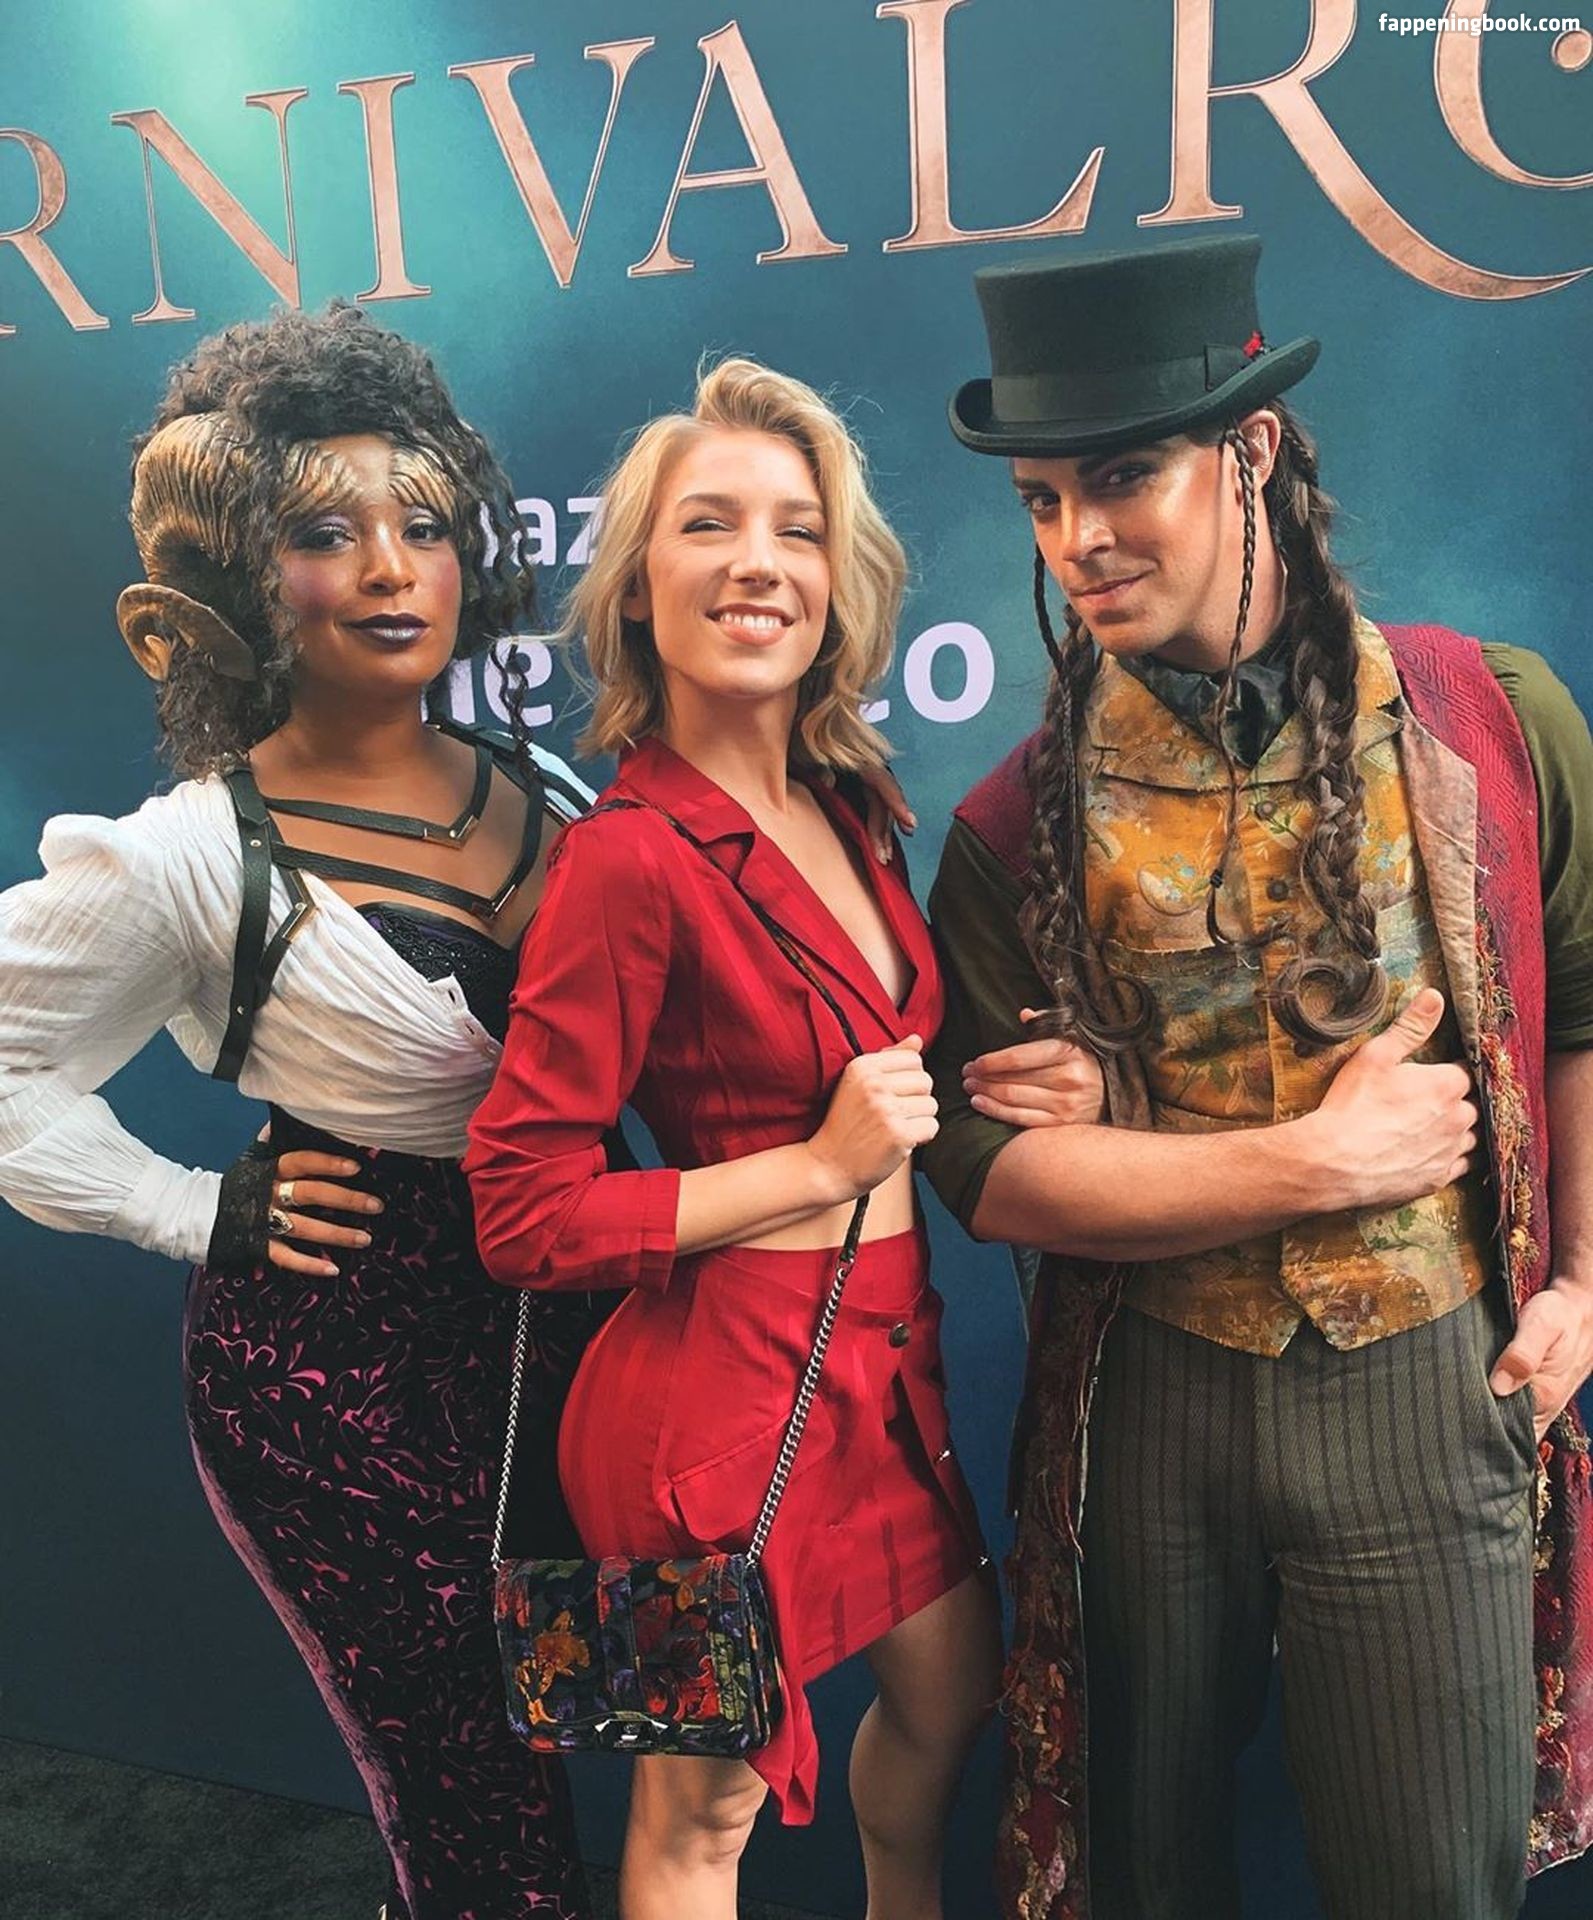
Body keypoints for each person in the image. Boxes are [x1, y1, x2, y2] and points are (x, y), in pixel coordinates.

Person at [918, 235, 1593, 1920]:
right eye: (1039, 500)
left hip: (1424, 1373)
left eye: (1119, 478)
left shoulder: (1488, 718)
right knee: (1139, 1877)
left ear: (1251, 450)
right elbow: (989, 1176)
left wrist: (1583, 1277)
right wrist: (1319, 1160)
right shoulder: (1009, 826)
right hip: (1149, 1392)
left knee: (1429, 1882)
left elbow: (1582, 1008)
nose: (1075, 539)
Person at [464, 357, 1094, 1920]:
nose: (758, 560)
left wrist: (1021, 1080)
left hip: (883, 1367)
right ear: (636, 586)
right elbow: (522, 1212)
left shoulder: (853, 805)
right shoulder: (624, 859)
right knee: (703, 1814)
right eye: (708, 524)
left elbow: (878, 1067)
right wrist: (815, 1169)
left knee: (953, 1695)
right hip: (703, 1415)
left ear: (835, 583)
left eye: (796, 530)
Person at [0, 305, 601, 1920]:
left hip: (587, 1332)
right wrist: (189, 1207)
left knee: (661, 1733)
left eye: (424, 523)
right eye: (326, 533)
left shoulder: (551, 792)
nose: (393, 569)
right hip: (341, 1376)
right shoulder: (189, 855)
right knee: (479, 1801)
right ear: (238, 573)